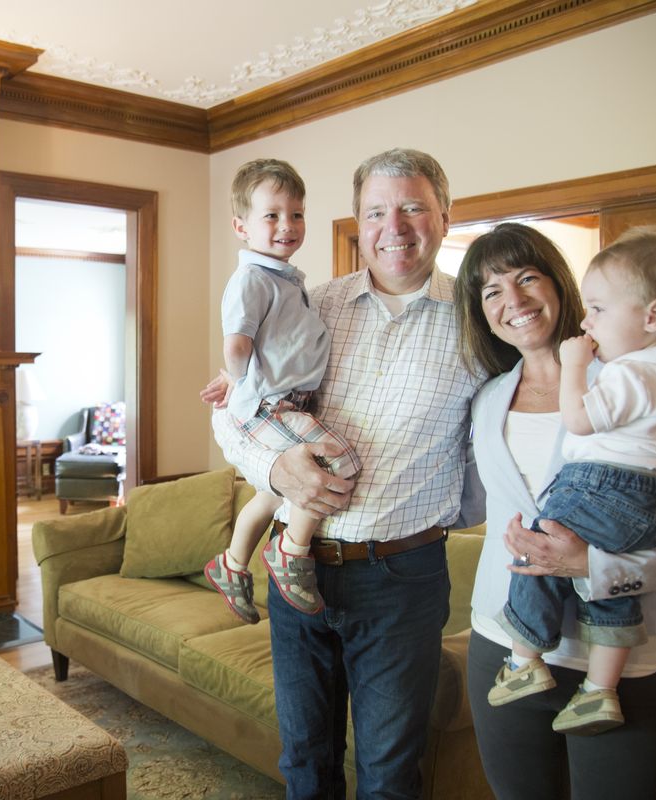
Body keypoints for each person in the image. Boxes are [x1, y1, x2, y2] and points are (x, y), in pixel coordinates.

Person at [206, 148, 485, 798]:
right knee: (305, 763)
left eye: (414, 207)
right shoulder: (312, 301)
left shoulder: (478, 326)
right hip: (293, 571)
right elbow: (235, 413)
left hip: (400, 583)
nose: (396, 226)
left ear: (444, 216)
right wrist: (277, 469)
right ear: (359, 221)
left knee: (389, 777)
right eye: (378, 211)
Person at [454, 222, 656, 798]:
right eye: (491, 290)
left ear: (560, 286)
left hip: (623, 658)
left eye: (527, 277)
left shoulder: (646, 380)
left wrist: (594, 565)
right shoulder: (485, 399)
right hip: (500, 639)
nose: (512, 300)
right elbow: (460, 504)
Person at [203, 158, 361, 625]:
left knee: (275, 492)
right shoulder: (253, 279)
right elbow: (236, 343)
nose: (286, 225)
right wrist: (236, 378)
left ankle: (230, 564)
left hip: (287, 402)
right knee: (339, 461)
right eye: (271, 215)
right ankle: (291, 552)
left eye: (296, 214)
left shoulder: (285, 278)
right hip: (272, 405)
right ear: (241, 225)